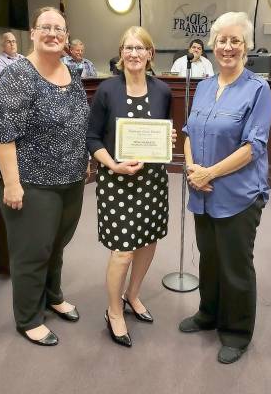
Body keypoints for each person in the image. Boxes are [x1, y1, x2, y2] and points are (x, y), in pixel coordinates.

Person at [0, 7, 90, 346]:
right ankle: (29, 317)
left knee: (56, 245)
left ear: (66, 35)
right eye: (45, 27)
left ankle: (53, 296)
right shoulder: (17, 76)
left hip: (70, 178)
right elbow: (2, 135)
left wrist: (84, 157)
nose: (52, 34)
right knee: (32, 251)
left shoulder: (71, 72)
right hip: (30, 182)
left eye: (59, 29)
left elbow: (78, 121)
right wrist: (12, 184)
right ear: (32, 33)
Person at [179, 12, 271, 364]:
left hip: (238, 195)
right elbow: (188, 131)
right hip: (202, 191)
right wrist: (192, 169)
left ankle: (236, 331)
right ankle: (208, 313)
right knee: (210, 258)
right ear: (213, 45)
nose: (228, 47)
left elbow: (254, 146)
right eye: (222, 40)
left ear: (246, 47)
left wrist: (209, 174)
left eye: (236, 41)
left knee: (235, 264)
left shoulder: (257, 89)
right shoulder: (204, 85)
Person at [87, 26, 176, 348]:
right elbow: (92, 137)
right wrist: (112, 164)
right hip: (117, 181)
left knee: (148, 242)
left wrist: (169, 139)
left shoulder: (163, 91)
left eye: (141, 48)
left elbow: (164, 132)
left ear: (151, 54)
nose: (135, 53)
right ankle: (113, 311)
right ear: (121, 53)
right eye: (128, 47)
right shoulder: (107, 91)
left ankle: (132, 295)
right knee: (123, 252)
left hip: (152, 181)